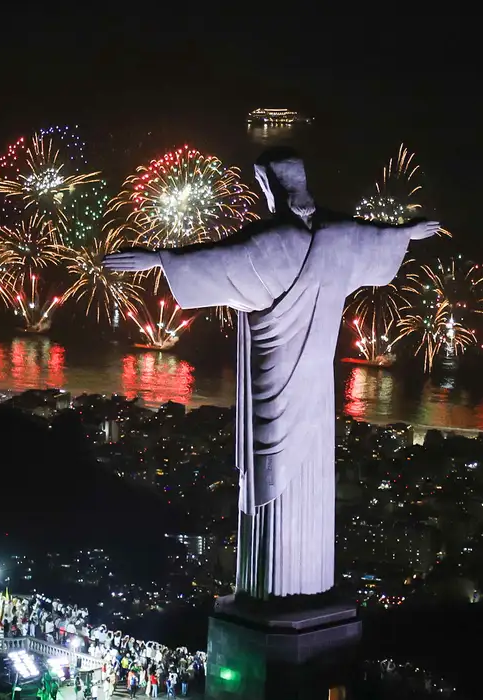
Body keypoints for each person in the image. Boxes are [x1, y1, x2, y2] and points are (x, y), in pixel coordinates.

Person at [104, 148, 439, 598]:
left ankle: (271, 594)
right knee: (305, 476)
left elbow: (214, 261)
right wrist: (406, 233)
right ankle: (303, 589)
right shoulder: (338, 235)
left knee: (271, 474)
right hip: (319, 389)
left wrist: (161, 259)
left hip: (273, 379)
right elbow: (376, 240)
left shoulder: (272, 243)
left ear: (267, 188)